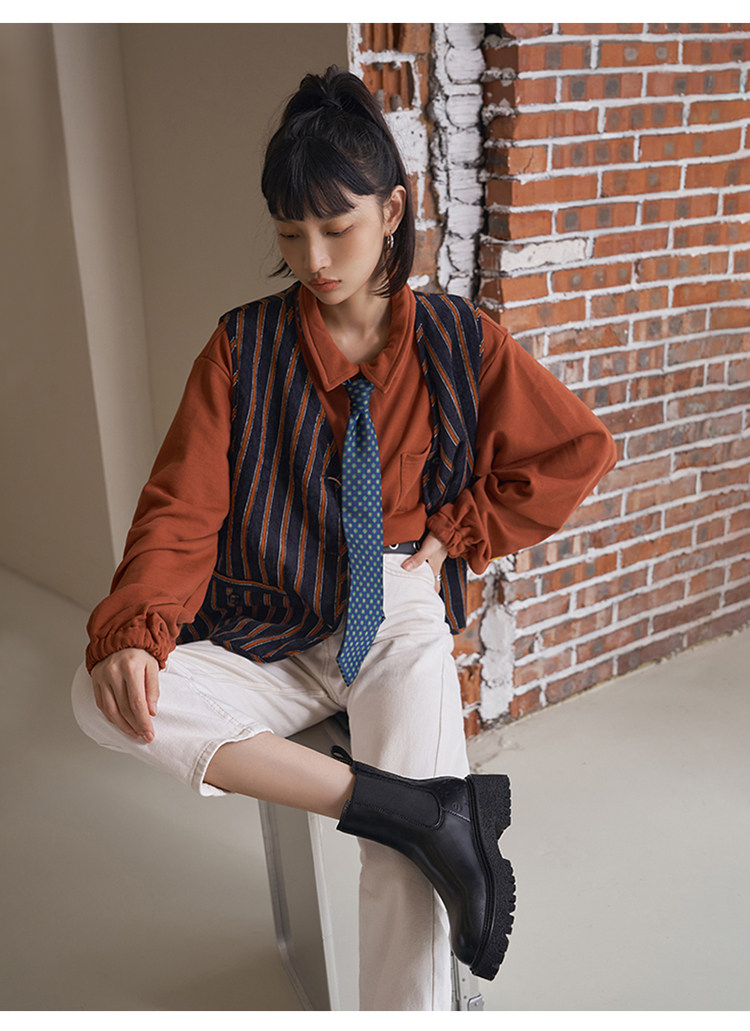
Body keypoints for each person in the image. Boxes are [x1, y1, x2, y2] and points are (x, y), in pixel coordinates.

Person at [71, 65, 617, 1011]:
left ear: (392, 210)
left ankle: (415, 874)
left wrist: (461, 531)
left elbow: (575, 449)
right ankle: (416, 809)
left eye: (337, 226)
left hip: (395, 602)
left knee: (400, 867)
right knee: (103, 696)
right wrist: (136, 629)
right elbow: (181, 510)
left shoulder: (456, 339)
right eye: (290, 232)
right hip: (270, 615)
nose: (314, 258)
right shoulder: (242, 349)